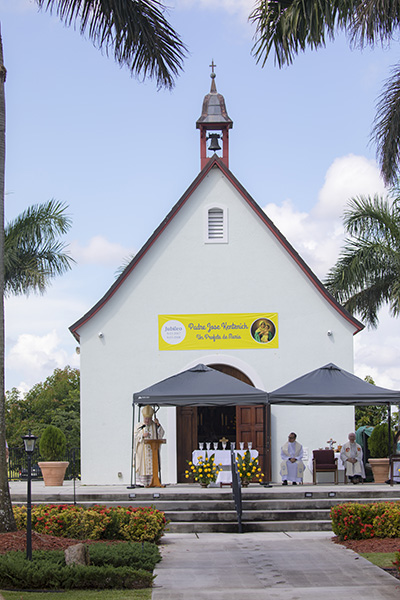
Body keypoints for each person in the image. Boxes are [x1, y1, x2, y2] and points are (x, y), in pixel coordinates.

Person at [134, 405, 165, 487]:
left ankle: (154, 481)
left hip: (152, 450)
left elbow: (161, 434)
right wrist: (142, 435)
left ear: (151, 418)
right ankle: (141, 482)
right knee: (142, 465)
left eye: (148, 419)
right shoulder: (139, 426)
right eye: (145, 418)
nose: (146, 420)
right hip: (142, 451)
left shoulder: (154, 426)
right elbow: (135, 437)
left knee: (153, 464)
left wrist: (158, 425)